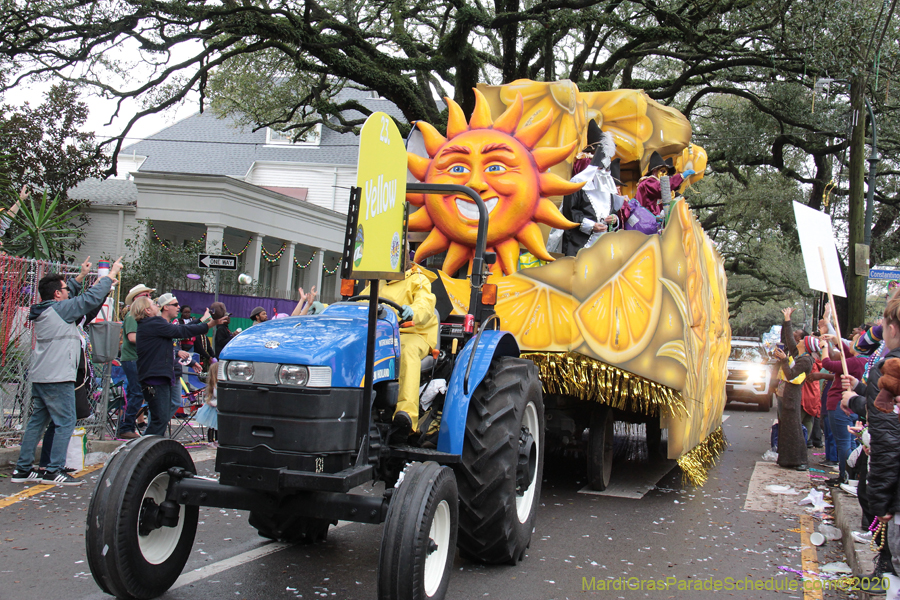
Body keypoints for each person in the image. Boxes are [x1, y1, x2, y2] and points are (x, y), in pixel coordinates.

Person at [11, 257, 122, 486]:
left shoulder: (45, 310)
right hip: (59, 375)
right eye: (65, 289)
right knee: (66, 421)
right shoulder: (60, 310)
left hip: (42, 374)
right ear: (57, 295)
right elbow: (88, 299)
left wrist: (80, 276)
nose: (68, 291)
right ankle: (54, 470)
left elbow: (71, 294)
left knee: (36, 422)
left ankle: (22, 469)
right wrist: (109, 276)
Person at [842, 293, 900, 582]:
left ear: (891, 328)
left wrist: (883, 503)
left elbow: (887, 439)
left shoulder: (890, 370)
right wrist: (857, 392)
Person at [363, 262, 438, 443]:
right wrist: (326, 308)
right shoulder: (377, 284)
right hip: (383, 335)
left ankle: (406, 416)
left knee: (406, 351)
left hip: (413, 334)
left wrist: (413, 311)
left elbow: (425, 304)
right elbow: (358, 303)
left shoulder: (418, 280)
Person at [134, 294, 224, 437]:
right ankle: (146, 448)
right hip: (155, 377)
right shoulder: (153, 323)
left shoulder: (152, 325)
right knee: (160, 418)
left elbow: (180, 330)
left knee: (161, 417)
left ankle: (152, 445)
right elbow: (180, 331)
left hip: (159, 376)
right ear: (147, 311)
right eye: (153, 304)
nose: (156, 306)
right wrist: (208, 325)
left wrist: (204, 322)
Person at [560, 132, 624, 256]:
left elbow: (613, 211)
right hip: (580, 244)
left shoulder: (607, 187)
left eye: (606, 169)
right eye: (601, 169)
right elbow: (569, 212)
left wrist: (614, 220)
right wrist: (591, 226)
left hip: (603, 245)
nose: (604, 173)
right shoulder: (578, 183)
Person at [771, 307, 814, 471]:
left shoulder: (805, 361)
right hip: (786, 394)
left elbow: (790, 375)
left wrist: (783, 360)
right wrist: (787, 319)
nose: (798, 341)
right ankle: (786, 458)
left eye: (802, 341)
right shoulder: (798, 354)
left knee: (794, 428)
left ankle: (800, 459)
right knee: (786, 428)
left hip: (792, 396)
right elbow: (789, 339)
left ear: (807, 346)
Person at [821, 332, 865, 484]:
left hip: (841, 405)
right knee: (850, 442)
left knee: (843, 442)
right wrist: (836, 341)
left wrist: (824, 347)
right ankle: (849, 474)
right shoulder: (862, 361)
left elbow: (827, 364)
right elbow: (846, 354)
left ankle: (844, 475)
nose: (850, 344)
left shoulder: (854, 362)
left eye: (853, 341)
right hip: (851, 406)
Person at [116, 283, 156, 439]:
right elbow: (132, 337)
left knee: (138, 393)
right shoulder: (132, 316)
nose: (150, 298)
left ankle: (128, 425)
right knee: (136, 393)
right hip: (132, 358)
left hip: (137, 358)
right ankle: (126, 427)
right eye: (147, 295)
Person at [631, 151, 694, 217]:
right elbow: (662, 188)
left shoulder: (651, 183)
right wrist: (681, 176)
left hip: (648, 219)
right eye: (662, 171)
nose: (665, 175)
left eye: (666, 173)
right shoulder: (648, 182)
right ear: (655, 171)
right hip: (644, 220)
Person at [195, 361, 219, 444]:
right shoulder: (216, 385)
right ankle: (211, 441)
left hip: (214, 406)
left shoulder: (214, 384)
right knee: (213, 425)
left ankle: (215, 440)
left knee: (215, 425)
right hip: (214, 407)